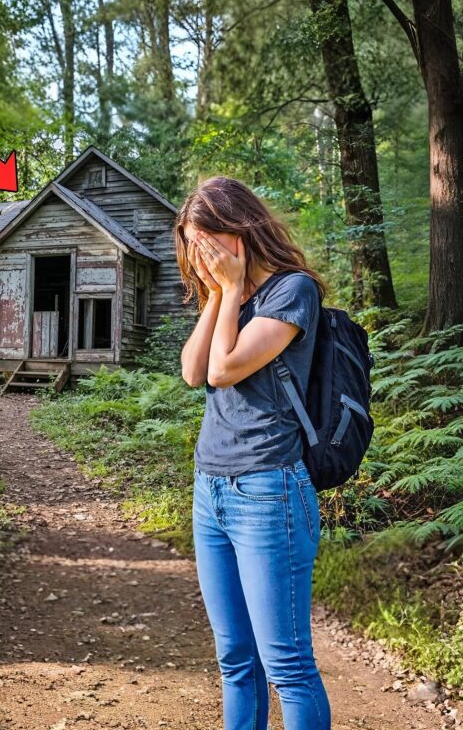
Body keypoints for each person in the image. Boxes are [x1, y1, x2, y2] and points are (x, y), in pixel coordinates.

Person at [175, 175, 331, 730]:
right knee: (234, 660)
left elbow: (225, 367)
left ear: (240, 232)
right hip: (210, 489)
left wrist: (234, 291)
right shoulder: (227, 296)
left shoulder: (293, 292)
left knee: (285, 663)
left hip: (269, 490)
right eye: (194, 245)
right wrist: (219, 293)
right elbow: (194, 372)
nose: (202, 256)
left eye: (209, 242)